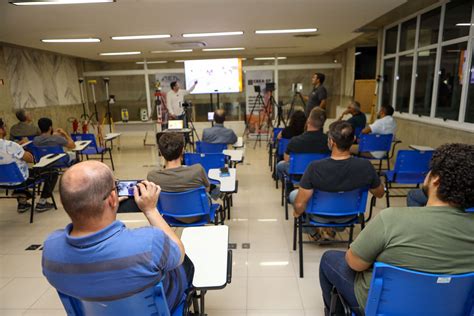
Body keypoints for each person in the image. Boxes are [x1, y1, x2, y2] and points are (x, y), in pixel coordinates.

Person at [319, 143, 474, 316]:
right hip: (449, 308)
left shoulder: (391, 219)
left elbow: (355, 263)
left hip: (380, 306)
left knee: (329, 258)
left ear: (436, 179)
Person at [42, 161, 194, 313]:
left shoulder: (50, 250)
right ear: (113, 198)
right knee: (184, 262)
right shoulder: (150, 242)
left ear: (63, 202)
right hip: (157, 309)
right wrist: (150, 210)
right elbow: (179, 254)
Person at [290, 121, 384, 240]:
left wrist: (297, 213)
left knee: (294, 196)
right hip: (350, 216)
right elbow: (380, 193)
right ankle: (332, 229)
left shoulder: (314, 167)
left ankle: (314, 232)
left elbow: (299, 204)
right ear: (353, 139)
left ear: (331, 141)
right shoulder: (366, 166)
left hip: (319, 216)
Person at [147, 132, 216, 223]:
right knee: (212, 188)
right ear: (182, 150)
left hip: (170, 214)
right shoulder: (197, 170)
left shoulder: (152, 176)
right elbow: (207, 189)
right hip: (199, 214)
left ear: (160, 152)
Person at [0, 118, 58, 212]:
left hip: (2, 181)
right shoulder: (11, 145)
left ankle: (22, 203)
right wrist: (21, 149)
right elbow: (30, 159)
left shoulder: (11, 145)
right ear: (1, 129)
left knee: (15, 172)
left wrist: (17, 146)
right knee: (53, 172)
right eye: (4, 126)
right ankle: (42, 203)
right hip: (21, 180)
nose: (5, 128)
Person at [276, 107, 330, 181]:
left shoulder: (294, 141)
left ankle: (289, 186)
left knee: (280, 165)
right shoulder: (329, 141)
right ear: (323, 123)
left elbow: (287, 159)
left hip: (298, 176)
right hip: (320, 175)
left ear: (308, 121)